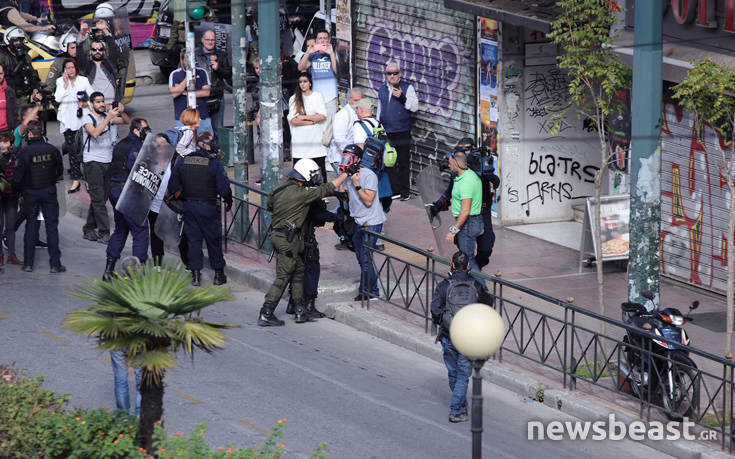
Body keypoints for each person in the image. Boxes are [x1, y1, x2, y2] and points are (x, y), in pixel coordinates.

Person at [258, 159, 350, 326]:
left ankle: (300, 310)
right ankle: (266, 312)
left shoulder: (279, 188)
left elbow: (271, 206)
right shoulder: (301, 194)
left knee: (299, 271)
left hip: (287, 237)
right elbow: (325, 188)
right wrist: (346, 174)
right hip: (288, 239)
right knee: (284, 276)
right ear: (306, 176)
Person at [430, 250, 494, 423]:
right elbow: (489, 304)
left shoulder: (444, 286)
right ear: (468, 266)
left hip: (448, 336)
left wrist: (443, 321)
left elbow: (435, 310)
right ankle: (456, 410)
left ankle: (461, 406)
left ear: (451, 265)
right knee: (463, 376)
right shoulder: (476, 285)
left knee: (453, 373)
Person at [167, 132, 232, 286]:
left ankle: (195, 276)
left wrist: (185, 199)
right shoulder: (214, 163)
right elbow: (223, 188)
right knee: (213, 241)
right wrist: (228, 201)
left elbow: (173, 186)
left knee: (193, 241)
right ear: (204, 145)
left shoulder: (183, 162)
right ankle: (218, 275)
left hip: (189, 207)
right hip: (208, 207)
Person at [430, 138, 500, 269]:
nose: (464, 154)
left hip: (483, 213)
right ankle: (472, 272)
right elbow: (450, 190)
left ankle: (474, 270)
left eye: (466, 150)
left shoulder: (480, 168)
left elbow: (496, 181)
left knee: (485, 248)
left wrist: (485, 175)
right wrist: (439, 204)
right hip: (466, 216)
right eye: (461, 151)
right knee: (464, 248)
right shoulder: (459, 171)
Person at [102, 118, 151, 280]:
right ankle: (136, 273)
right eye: (145, 129)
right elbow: (134, 167)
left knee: (121, 229)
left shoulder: (121, 144)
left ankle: (109, 270)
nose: (148, 132)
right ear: (137, 130)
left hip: (114, 189)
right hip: (127, 191)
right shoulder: (136, 146)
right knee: (140, 230)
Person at [13, 120, 65, 272]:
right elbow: (59, 170)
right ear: (41, 132)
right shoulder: (52, 149)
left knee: (31, 226)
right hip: (49, 191)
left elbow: (18, 176)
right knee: (52, 228)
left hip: (31, 193)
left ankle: (28, 264)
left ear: (29, 134)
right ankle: (55, 264)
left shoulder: (25, 152)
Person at [81, 91, 129, 244]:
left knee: (101, 198)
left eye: (103, 101)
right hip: (92, 162)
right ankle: (104, 232)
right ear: (91, 104)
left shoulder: (108, 118)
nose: (101, 104)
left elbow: (126, 121)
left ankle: (89, 228)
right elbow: (94, 133)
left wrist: (122, 111)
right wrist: (109, 117)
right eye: (97, 102)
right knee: (98, 199)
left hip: (108, 161)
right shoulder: (87, 118)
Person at [342, 143, 387, 301]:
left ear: (357, 159)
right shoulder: (348, 175)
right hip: (358, 221)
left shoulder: (369, 175)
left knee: (366, 258)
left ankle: (369, 291)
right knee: (361, 258)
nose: (345, 160)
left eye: (348, 157)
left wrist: (357, 184)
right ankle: (370, 288)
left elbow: (368, 200)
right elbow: (345, 196)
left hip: (372, 222)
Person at [285, 197, 336, 320]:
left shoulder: (289, 192)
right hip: (305, 240)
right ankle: (309, 305)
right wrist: (337, 218)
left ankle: (293, 303)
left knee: (296, 271)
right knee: (312, 269)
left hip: (290, 239)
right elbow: (319, 216)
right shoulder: (308, 195)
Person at [376, 60, 418, 201]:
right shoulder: (382, 89)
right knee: (389, 161)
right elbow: (380, 109)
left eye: (395, 73)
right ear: (386, 75)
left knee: (403, 162)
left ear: (400, 74)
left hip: (401, 131)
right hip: (387, 131)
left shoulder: (407, 87)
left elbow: (414, 107)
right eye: (389, 73)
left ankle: (404, 191)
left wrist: (402, 97)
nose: (392, 76)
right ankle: (394, 191)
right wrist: (378, 127)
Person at [445, 148, 485, 289]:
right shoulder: (463, 176)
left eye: (450, 163)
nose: (449, 166)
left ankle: (482, 290)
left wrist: (453, 230)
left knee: (468, 258)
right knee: (467, 256)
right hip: (469, 222)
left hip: (468, 223)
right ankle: (471, 286)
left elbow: (466, 210)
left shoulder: (467, 182)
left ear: (457, 164)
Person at [54, 58, 92, 195]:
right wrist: (64, 85)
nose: (70, 70)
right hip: (68, 121)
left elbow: (93, 97)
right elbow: (57, 99)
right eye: (67, 68)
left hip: (82, 121)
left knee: (85, 152)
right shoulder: (60, 81)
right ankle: (76, 179)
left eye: (72, 67)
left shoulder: (83, 80)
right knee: (72, 152)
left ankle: (88, 179)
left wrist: (85, 104)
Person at [298, 29, 338, 147]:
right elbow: (301, 67)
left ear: (329, 40)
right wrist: (308, 52)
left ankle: (328, 156)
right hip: (317, 98)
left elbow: (337, 71)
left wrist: (331, 54)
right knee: (319, 127)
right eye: (320, 38)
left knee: (329, 129)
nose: (322, 40)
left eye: (325, 38)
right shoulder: (313, 56)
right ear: (316, 41)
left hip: (331, 97)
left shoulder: (333, 53)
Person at [287, 72, 327, 181]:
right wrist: (311, 121)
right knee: (299, 172)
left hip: (315, 142)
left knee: (319, 171)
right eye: (300, 82)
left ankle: (321, 195)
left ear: (310, 83)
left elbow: (322, 116)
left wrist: (304, 117)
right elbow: (294, 120)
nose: (302, 84)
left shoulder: (317, 96)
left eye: (305, 81)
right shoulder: (294, 99)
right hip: (300, 143)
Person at [195, 29, 231, 136]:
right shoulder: (195, 55)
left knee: (218, 129)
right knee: (202, 130)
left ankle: (219, 151)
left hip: (217, 97)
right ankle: (204, 151)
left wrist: (218, 68)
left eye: (213, 40)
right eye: (207, 40)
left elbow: (228, 73)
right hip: (200, 97)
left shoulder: (221, 55)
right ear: (202, 40)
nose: (210, 42)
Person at [169, 50, 212, 134]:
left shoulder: (202, 72)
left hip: (202, 117)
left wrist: (184, 92)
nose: (190, 62)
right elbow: (174, 94)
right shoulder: (175, 74)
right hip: (183, 118)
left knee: (204, 142)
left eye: (192, 59)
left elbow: (206, 92)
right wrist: (188, 76)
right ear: (182, 60)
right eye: (187, 59)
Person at [0, 27, 42, 106]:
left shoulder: (24, 56)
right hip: (5, 97)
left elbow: (32, 74)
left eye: (20, 40)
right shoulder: (2, 56)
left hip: (22, 96)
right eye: (16, 40)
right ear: (8, 41)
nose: (18, 43)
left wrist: (35, 90)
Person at [327, 88, 361, 172]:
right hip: (341, 159)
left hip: (352, 157)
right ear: (348, 99)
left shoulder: (358, 112)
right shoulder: (343, 115)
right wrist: (351, 156)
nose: (359, 103)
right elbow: (339, 140)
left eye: (360, 100)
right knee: (347, 184)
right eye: (356, 100)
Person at [0, 132, 20, 265]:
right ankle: (1, 255)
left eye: (6, 142)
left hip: (12, 196)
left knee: (11, 226)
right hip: (0, 196)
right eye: (1, 142)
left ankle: (11, 254)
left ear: (11, 144)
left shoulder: (16, 158)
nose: (2, 144)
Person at [0, 63, 19, 136]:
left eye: (1, 73)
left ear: (4, 74)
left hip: (7, 132)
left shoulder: (9, 91)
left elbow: (15, 114)